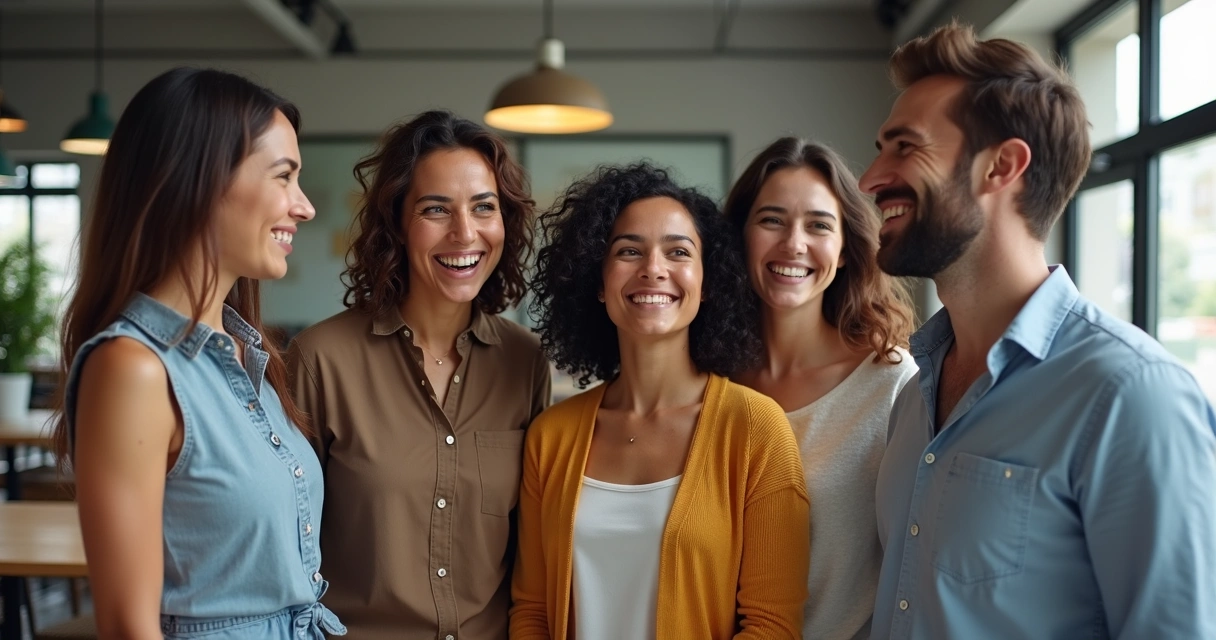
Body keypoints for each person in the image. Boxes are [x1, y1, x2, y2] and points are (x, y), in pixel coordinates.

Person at [859, 22, 1216, 639]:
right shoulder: (914, 394)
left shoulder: (1130, 395)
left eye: (904, 148)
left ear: (1002, 166)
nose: (870, 178)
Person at [51, 67, 344, 639]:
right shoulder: (134, 369)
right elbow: (128, 626)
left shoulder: (246, 357)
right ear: (201, 180)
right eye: (284, 177)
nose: (304, 207)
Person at [511, 163, 810, 639]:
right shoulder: (551, 436)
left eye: (678, 252)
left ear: (706, 283)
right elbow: (531, 611)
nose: (653, 268)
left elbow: (772, 626)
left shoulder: (756, 429)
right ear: (598, 281)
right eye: (629, 251)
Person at [287, 110, 550, 640]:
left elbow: (532, 548)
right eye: (436, 209)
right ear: (397, 223)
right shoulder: (320, 360)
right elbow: (284, 546)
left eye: (484, 207)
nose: (465, 233)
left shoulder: (524, 362)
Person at [724, 138, 917, 640]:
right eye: (771, 220)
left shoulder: (891, 383)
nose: (794, 244)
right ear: (740, 237)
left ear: (846, 249)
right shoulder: (705, 379)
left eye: (818, 225)